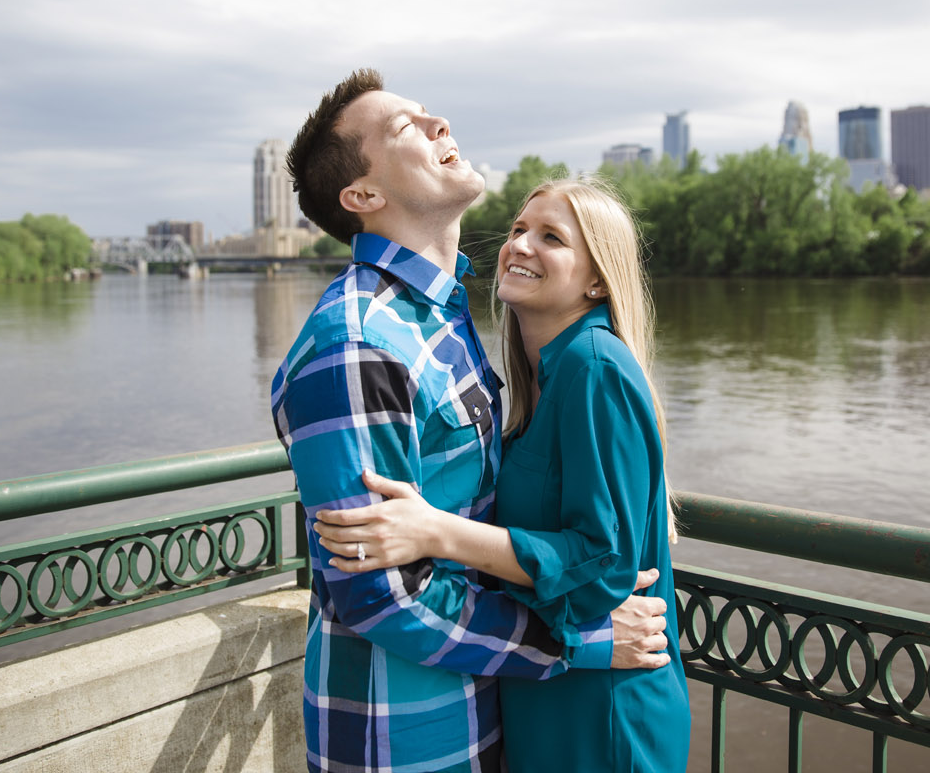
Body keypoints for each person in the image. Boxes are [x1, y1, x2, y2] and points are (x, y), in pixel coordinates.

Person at [270, 70, 671, 773]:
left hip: (486, 719)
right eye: (405, 127)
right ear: (363, 196)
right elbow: (380, 598)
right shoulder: (357, 345)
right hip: (403, 742)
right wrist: (578, 642)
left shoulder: (445, 320)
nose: (438, 125)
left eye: (429, 114)